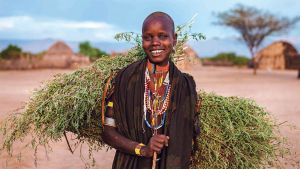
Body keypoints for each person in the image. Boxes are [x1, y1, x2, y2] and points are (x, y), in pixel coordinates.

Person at [102, 11, 198, 169]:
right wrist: (143, 149)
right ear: (142, 41)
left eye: (163, 36)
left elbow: (190, 137)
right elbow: (108, 133)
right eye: (148, 37)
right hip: (130, 165)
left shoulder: (185, 85)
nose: (155, 42)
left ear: (174, 39)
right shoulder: (125, 79)